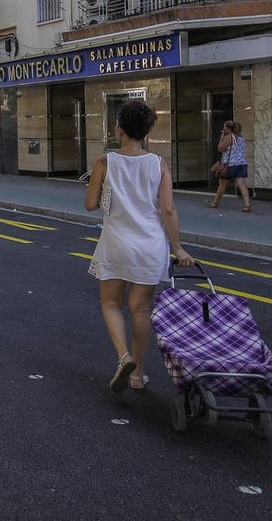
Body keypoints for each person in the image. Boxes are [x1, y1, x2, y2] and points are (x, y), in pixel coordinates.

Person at [85, 100, 193, 393]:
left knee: (110, 303)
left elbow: (91, 204)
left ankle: (124, 357)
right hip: (150, 246)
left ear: (118, 129)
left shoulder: (104, 163)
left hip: (116, 243)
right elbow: (168, 210)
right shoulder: (159, 164)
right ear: (146, 132)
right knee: (140, 310)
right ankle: (137, 375)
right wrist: (178, 248)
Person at [207, 120, 251, 212]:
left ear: (228, 129)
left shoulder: (229, 137)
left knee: (222, 185)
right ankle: (247, 205)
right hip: (241, 163)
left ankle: (215, 202)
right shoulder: (240, 137)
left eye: (224, 128)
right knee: (242, 184)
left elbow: (220, 148)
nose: (223, 130)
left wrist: (221, 138)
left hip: (230, 165)